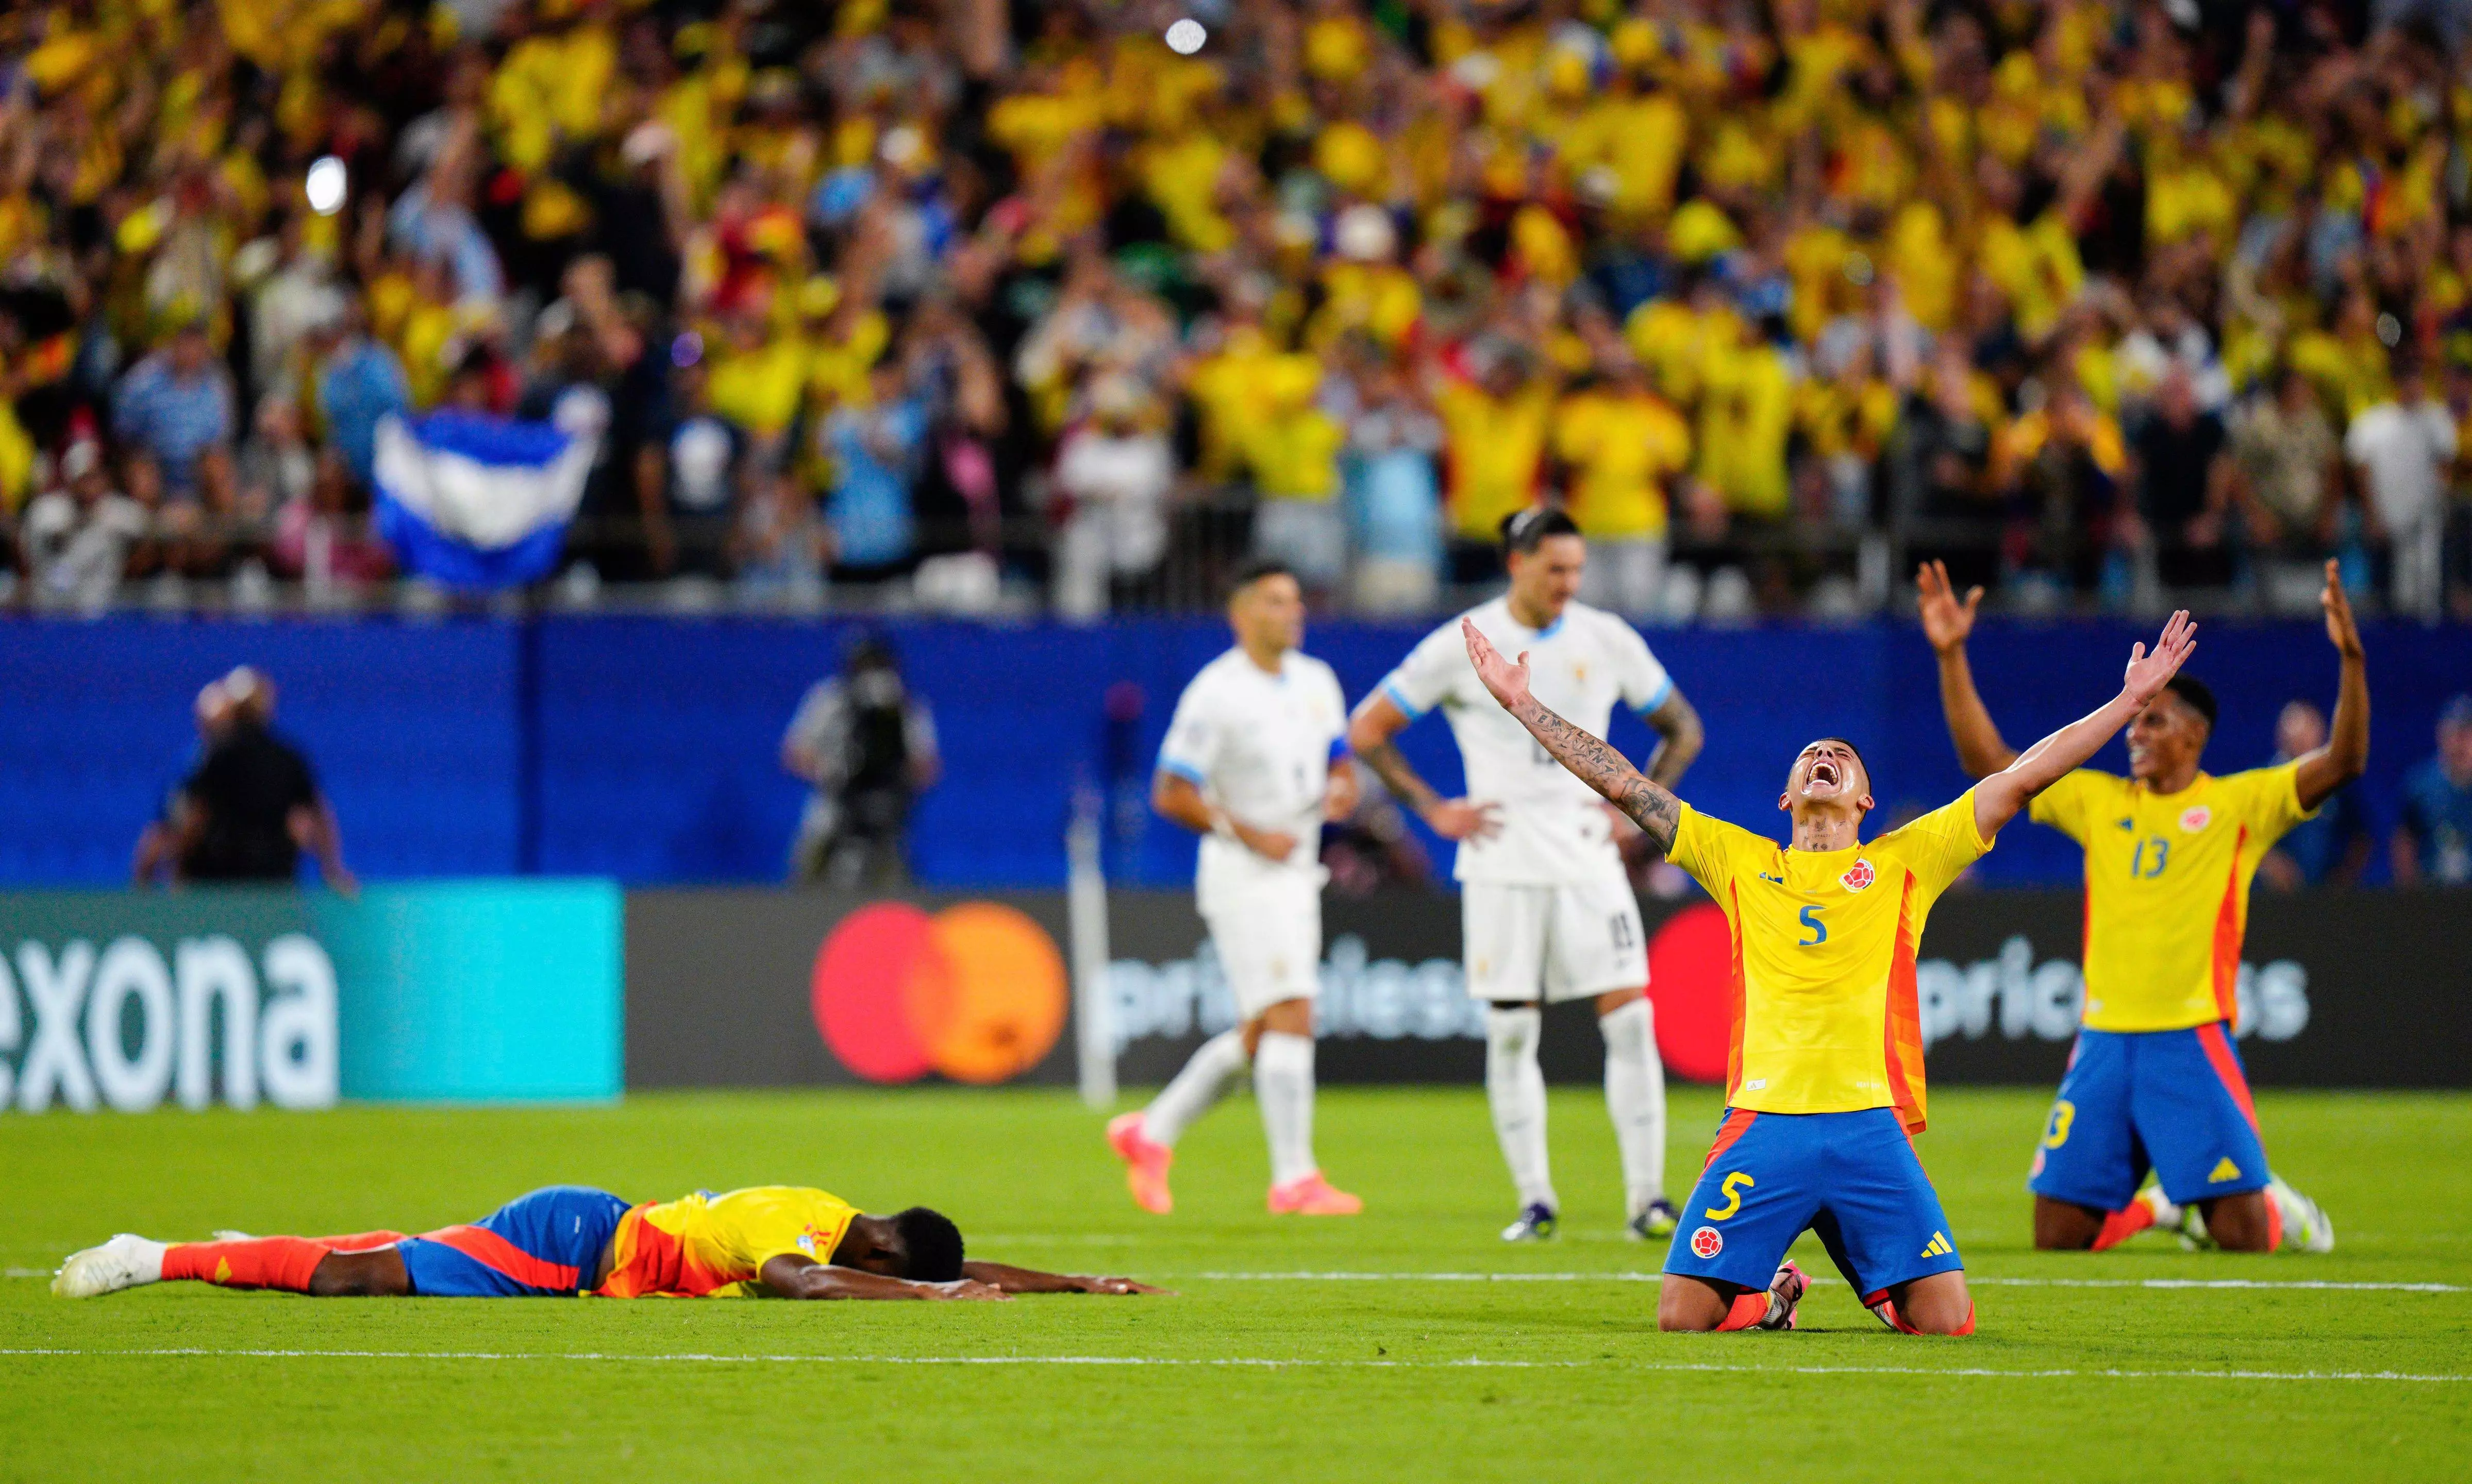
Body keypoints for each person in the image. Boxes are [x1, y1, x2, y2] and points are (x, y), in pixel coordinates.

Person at [1460, 604, 2201, 1334]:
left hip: (1868, 1128)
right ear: (1787, 796)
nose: (1828, 757)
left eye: (1844, 758)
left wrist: (2129, 700)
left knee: (1946, 1324)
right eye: (1814, 755)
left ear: (1864, 801)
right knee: (1682, 1317)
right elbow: (1625, 784)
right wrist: (1525, 704)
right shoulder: (1740, 860)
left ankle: (1865, 1264)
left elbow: (2025, 775)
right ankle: (1776, 1292)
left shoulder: (1909, 860)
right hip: (1763, 1123)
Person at [1918, 559, 2364, 1254]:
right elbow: (1991, 764)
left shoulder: (2238, 804)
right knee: (2059, 1235)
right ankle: (2161, 1209)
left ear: (2195, 736)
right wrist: (1951, 655)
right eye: (2137, 722)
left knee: (2246, 1237)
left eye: (2154, 722)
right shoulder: (2099, 802)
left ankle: (2282, 1209)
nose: (2136, 733)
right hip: (2103, 1037)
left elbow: (2344, 762)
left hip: (2191, 1035)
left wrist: (2352, 661)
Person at [1347, 509, 1705, 1243]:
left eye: (1577, 569)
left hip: (1587, 858)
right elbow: (1366, 730)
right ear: (1517, 564)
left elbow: (1683, 728)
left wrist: (1637, 817)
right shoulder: (1463, 643)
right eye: (1555, 570)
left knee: (1633, 1021)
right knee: (1512, 1034)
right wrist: (1432, 809)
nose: (1569, 584)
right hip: (1502, 861)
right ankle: (1536, 1200)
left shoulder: (1606, 637)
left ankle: (1648, 1200)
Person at [1109, 560, 1363, 1217]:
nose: (1293, 612)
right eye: (1276, 601)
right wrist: (1248, 832)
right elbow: (1170, 791)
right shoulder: (1215, 693)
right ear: (1242, 615)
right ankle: (1294, 1180)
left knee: (1259, 1031)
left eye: (1297, 600)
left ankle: (1151, 1132)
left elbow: (1339, 758)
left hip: (1297, 871)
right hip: (1244, 876)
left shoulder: (1317, 681)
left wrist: (1341, 786)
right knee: (1292, 1014)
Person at [53, 1183, 1163, 1302]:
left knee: (407, 1246)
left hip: (591, 1228)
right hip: (577, 1245)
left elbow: (943, 1264)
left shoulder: (844, 1218)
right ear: (880, 1259)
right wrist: (927, 1307)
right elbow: (796, 1285)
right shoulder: (796, 1236)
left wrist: (1071, 1281)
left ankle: (247, 1245)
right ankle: (152, 1255)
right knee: (360, 1281)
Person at [167, 667, 355, 892]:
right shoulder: (288, 756)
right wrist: (332, 870)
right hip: (272, 881)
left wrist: (179, 871)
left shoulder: (217, 756)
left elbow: (196, 817)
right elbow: (319, 815)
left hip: (221, 884)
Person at [781, 635, 941, 886]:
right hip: (833, 802)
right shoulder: (827, 699)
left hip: (887, 807)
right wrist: (830, 773)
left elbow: (927, 767)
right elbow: (794, 752)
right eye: (865, 667)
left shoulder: (908, 706)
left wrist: (897, 778)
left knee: (891, 875)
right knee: (811, 863)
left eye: (878, 667)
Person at [2259, 700, 2371, 890]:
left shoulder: (2338, 782)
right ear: (2281, 740)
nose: (2301, 744)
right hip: (2274, 896)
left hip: (2326, 893)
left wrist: (2345, 876)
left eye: (2307, 736)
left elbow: (2361, 834)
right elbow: (2243, 835)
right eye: (2295, 739)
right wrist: (2272, 865)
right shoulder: (2262, 784)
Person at [2392, 695, 2472, 886]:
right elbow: (2404, 840)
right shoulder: (2420, 784)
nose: (2461, 744)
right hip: (2432, 894)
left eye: (2467, 735)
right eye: (2454, 735)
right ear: (2441, 735)